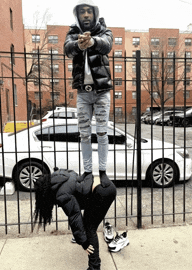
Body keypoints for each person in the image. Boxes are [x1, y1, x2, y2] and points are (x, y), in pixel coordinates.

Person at [64, 0, 113, 184]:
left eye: (89, 11)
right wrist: (79, 45)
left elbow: (107, 45)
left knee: (102, 133)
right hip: (83, 93)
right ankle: (87, 172)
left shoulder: (104, 30)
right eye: (82, 12)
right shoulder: (72, 33)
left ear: (94, 13)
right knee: (84, 134)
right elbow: (67, 49)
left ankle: (102, 171)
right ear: (77, 15)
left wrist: (92, 42)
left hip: (101, 92)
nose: (86, 15)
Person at [34, 167, 116, 270]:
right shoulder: (59, 176)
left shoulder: (61, 194)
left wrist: (84, 242)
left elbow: (74, 216)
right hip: (103, 186)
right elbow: (74, 176)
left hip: (102, 193)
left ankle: (94, 267)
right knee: (86, 226)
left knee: (89, 229)